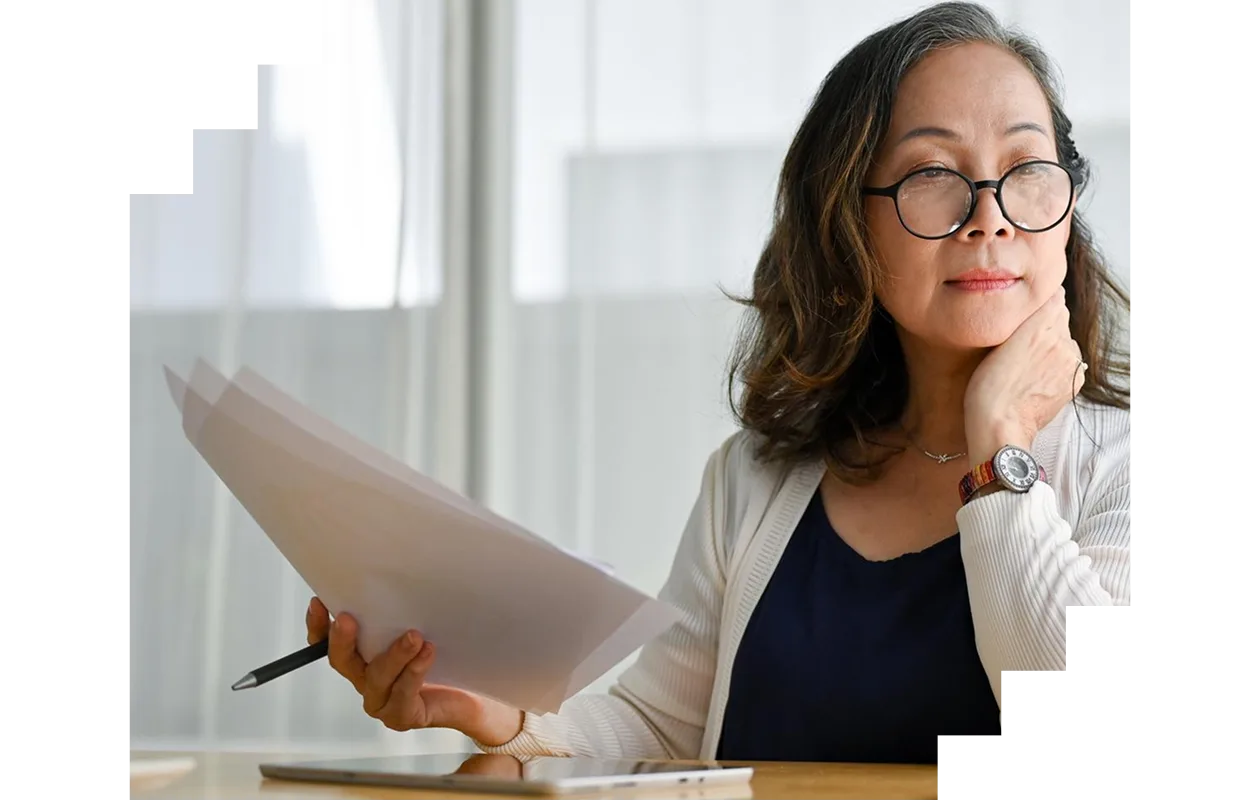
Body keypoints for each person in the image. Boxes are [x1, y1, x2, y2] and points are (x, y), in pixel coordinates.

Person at [305, 0, 1135, 765]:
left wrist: (999, 448)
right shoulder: (754, 478)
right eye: (933, 174)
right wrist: (504, 713)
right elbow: (661, 730)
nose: (990, 215)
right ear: (848, 222)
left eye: (1027, 167)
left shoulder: (1121, 469)